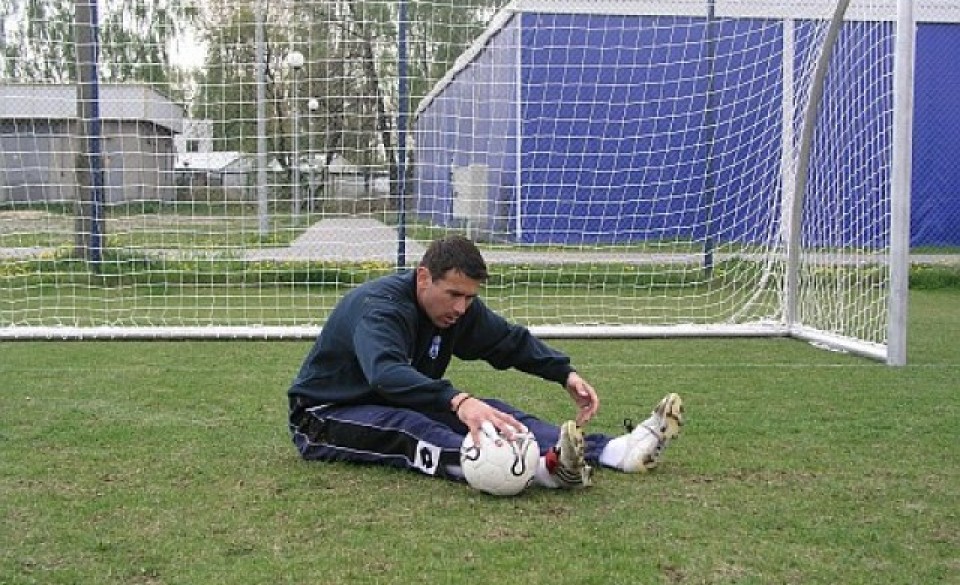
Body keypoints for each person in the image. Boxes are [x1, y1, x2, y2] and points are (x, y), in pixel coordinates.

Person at [287, 234, 683, 489]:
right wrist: (458, 400)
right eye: (453, 294)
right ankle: (544, 470)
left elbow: (507, 341)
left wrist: (564, 373)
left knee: (494, 414)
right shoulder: (381, 308)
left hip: (392, 401)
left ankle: (615, 451)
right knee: (412, 428)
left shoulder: (457, 310)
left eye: (470, 298)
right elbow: (385, 373)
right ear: (423, 278)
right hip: (325, 415)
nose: (462, 308)